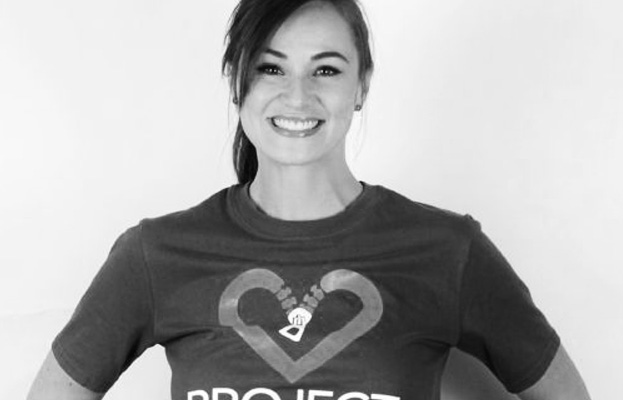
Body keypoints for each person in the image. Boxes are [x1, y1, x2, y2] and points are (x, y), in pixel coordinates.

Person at [28, 0, 592, 399]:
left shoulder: (448, 251)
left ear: (361, 86)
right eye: (271, 67)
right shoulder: (156, 254)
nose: (297, 95)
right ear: (236, 81)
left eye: (326, 69)